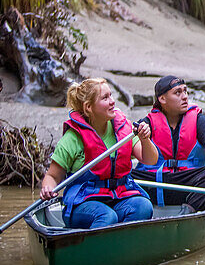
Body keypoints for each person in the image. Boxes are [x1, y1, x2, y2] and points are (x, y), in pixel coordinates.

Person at [40, 78, 158, 229]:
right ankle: (99, 249)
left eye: (111, 95)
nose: (112, 102)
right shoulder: (72, 139)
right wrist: (48, 188)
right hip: (83, 203)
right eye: (105, 98)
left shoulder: (124, 128)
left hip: (118, 197)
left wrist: (145, 139)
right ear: (88, 107)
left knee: (143, 206)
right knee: (107, 216)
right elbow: (52, 176)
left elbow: (151, 160)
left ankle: (123, 246)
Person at [131, 75, 205, 211]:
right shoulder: (147, 123)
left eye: (185, 91)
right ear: (162, 99)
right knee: (122, 174)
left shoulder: (198, 120)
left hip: (188, 185)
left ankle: (189, 213)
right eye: (177, 92)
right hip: (156, 182)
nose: (184, 96)